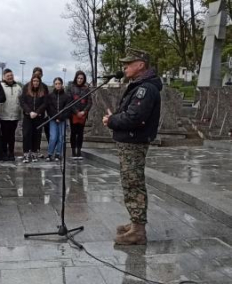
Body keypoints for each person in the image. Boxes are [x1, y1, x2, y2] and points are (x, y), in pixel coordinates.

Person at [102, 48, 162, 245]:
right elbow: (128, 112)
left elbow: (134, 117)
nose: (124, 67)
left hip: (134, 142)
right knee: (130, 182)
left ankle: (138, 230)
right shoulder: (139, 86)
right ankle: (135, 222)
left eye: (128, 63)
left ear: (141, 65)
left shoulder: (146, 89)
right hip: (129, 141)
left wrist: (112, 120)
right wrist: (114, 118)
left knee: (133, 183)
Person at [23, 67, 49, 158]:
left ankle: (35, 151)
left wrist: (37, 112)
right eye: (36, 74)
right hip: (28, 115)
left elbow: (45, 102)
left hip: (39, 115)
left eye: (39, 74)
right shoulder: (26, 87)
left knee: (37, 134)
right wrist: (29, 112)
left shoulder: (44, 87)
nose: (37, 77)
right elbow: (23, 101)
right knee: (27, 133)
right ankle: (26, 151)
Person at [45, 77, 71, 162]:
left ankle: (58, 154)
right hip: (53, 119)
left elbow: (67, 109)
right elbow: (49, 108)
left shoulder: (66, 96)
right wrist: (55, 117)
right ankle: (49, 153)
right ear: (54, 85)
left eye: (59, 83)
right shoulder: (50, 96)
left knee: (61, 137)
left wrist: (61, 117)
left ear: (62, 84)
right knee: (53, 137)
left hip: (62, 120)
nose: (58, 85)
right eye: (56, 84)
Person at [68, 71, 92, 160]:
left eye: (81, 78)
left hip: (83, 114)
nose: (79, 80)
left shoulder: (86, 89)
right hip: (73, 114)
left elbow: (90, 102)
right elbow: (69, 101)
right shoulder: (71, 88)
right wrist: (76, 111)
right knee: (73, 133)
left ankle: (79, 151)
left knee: (80, 133)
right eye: (78, 78)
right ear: (76, 78)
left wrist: (84, 111)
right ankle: (74, 151)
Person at [0, 69, 22, 161]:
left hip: (15, 115)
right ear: (4, 77)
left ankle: (11, 153)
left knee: (12, 136)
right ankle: (4, 152)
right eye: (8, 75)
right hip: (3, 115)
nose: (10, 77)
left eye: (11, 75)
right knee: (4, 135)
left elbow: (21, 100)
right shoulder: (0, 86)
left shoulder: (18, 87)